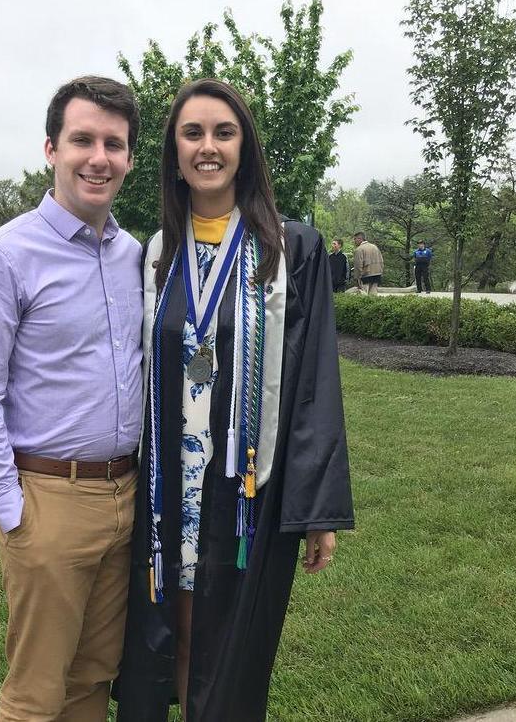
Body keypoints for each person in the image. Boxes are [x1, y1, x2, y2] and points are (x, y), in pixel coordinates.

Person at [115, 79, 354, 722]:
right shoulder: (157, 252)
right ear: (174, 153)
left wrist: (316, 509)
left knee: (234, 647)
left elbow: (311, 386)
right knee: (182, 631)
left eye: (224, 132)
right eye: (192, 134)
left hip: (247, 487)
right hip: (170, 488)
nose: (208, 147)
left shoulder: (289, 248)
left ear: (245, 147)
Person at [0, 75, 143, 722]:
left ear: (130, 159)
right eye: (82, 139)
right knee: (37, 693)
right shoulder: (3, 258)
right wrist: (13, 511)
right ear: (51, 148)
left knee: (93, 680)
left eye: (113, 144)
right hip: (47, 502)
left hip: (125, 496)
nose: (99, 157)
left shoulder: (135, 257)